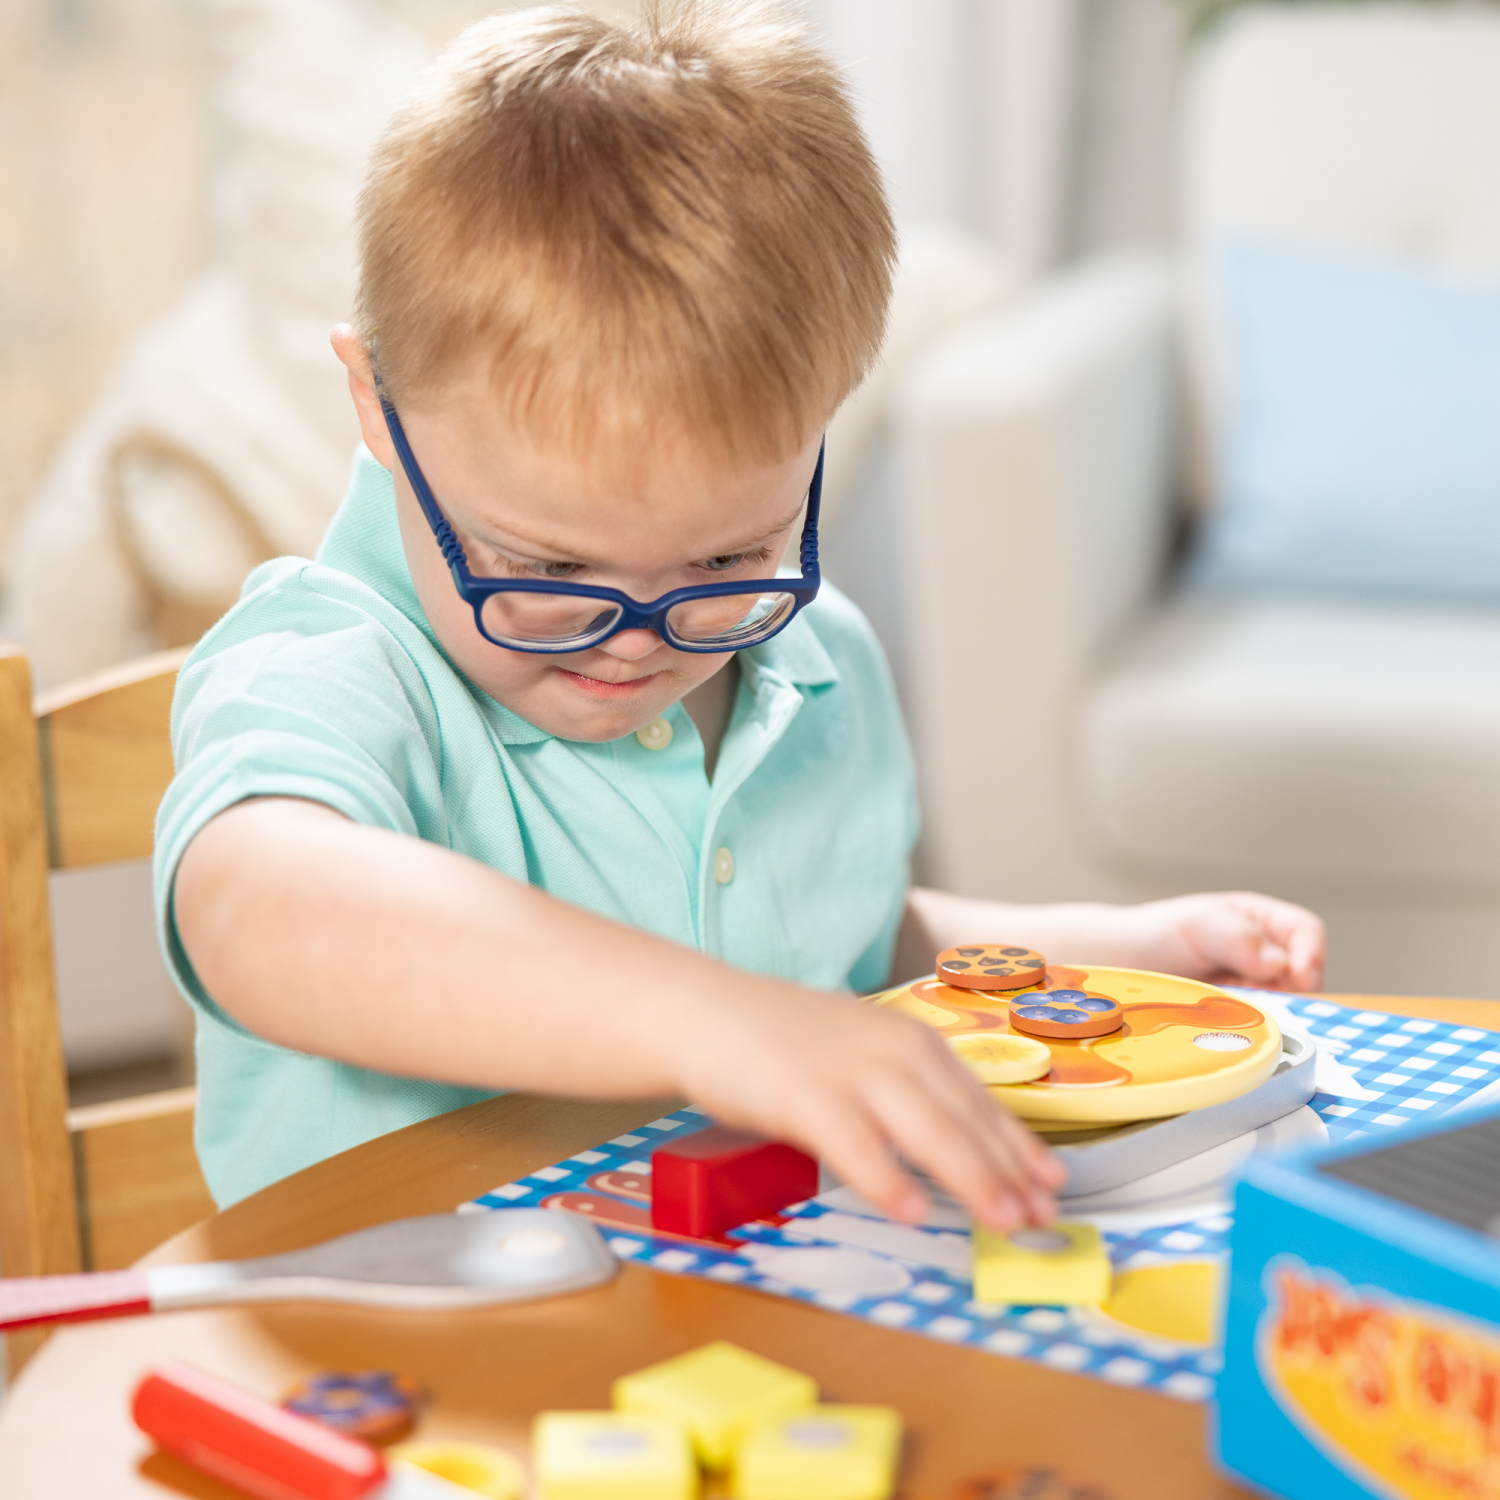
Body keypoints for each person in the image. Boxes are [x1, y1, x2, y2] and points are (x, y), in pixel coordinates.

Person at [156, 0, 1324, 1221]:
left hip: (737, 1302)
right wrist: (719, 1026)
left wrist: (1107, 951)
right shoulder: (330, 664)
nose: (641, 637)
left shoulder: (811, 663)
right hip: (383, 1319)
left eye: (727, 556)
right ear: (376, 404)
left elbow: (830, 945)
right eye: (545, 569)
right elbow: (259, 912)